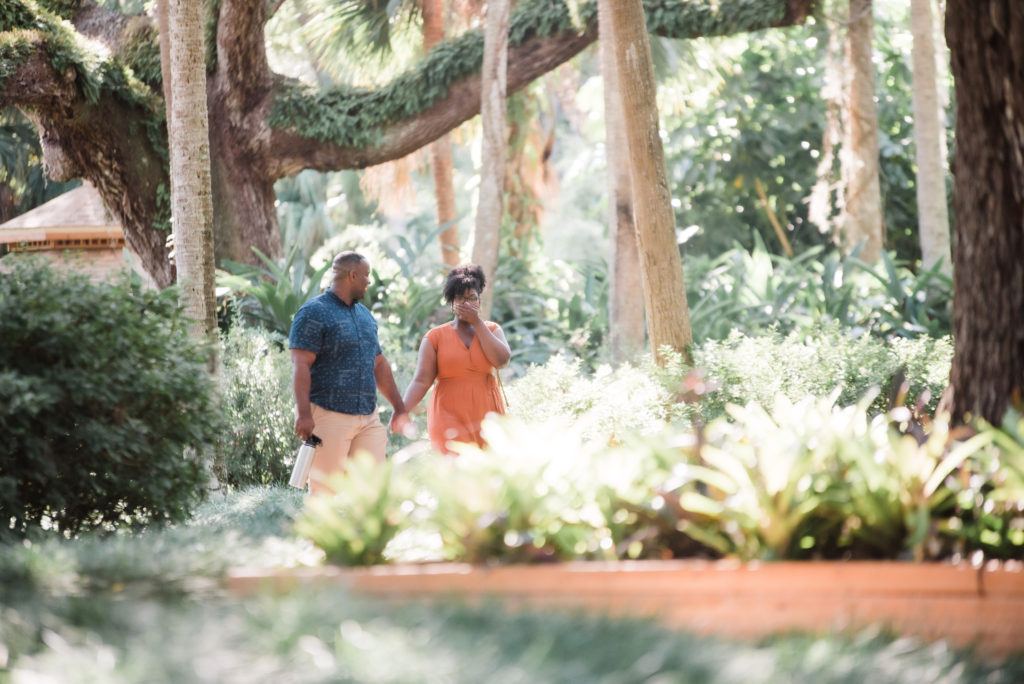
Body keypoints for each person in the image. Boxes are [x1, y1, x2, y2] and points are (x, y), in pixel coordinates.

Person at [288, 251, 411, 495]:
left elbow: (379, 364)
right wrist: (303, 414)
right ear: (352, 275)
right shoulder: (313, 312)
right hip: (328, 416)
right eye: (366, 276)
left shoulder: (364, 315)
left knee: (373, 491)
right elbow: (300, 365)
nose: (368, 282)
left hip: (368, 417)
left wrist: (399, 408)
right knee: (325, 494)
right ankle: (319, 535)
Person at [402, 264, 511, 454]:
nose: (466, 303)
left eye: (472, 298)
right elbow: (421, 380)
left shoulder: (492, 330)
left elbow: (501, 360)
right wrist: (401, 411)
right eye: (460, 298)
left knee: (487, 474)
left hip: (487, 415)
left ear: (479, 300)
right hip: (448, 416)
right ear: (452, 302)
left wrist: (477, 322)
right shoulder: (434, 337)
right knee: (455, 471)